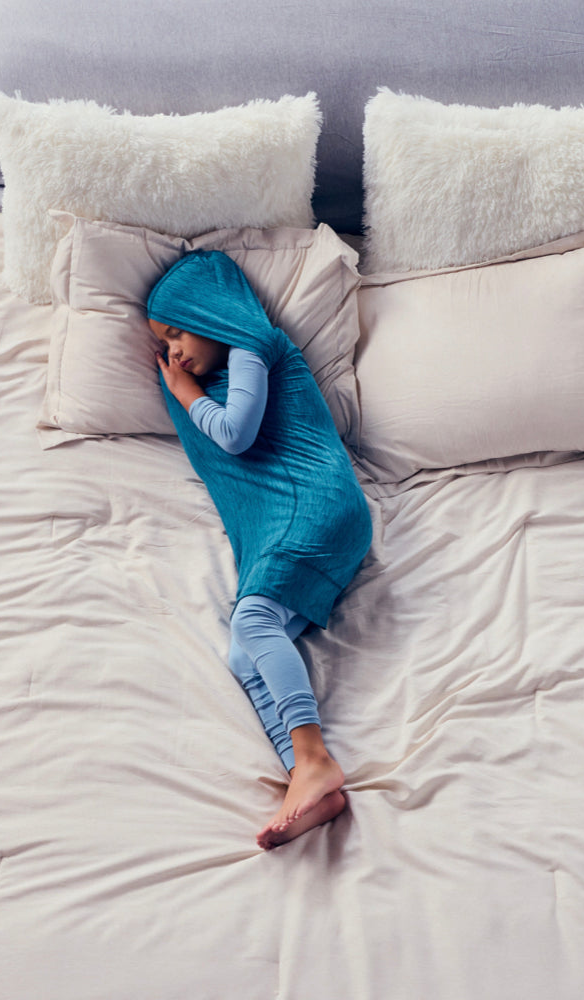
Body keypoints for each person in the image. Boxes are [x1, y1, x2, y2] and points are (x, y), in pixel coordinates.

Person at [147, 250, 372, 850]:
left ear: (210, 312)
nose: (173, 352)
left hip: (316, 503)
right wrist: (184, 387)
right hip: (286, 523)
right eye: (163, 345)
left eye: (177, 332)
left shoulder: (253, 346)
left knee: (252, 620)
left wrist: (183, 390)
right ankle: (308, 782)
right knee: (244, 657)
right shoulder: (213, 374)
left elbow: (236, 433)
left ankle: (315, 756)